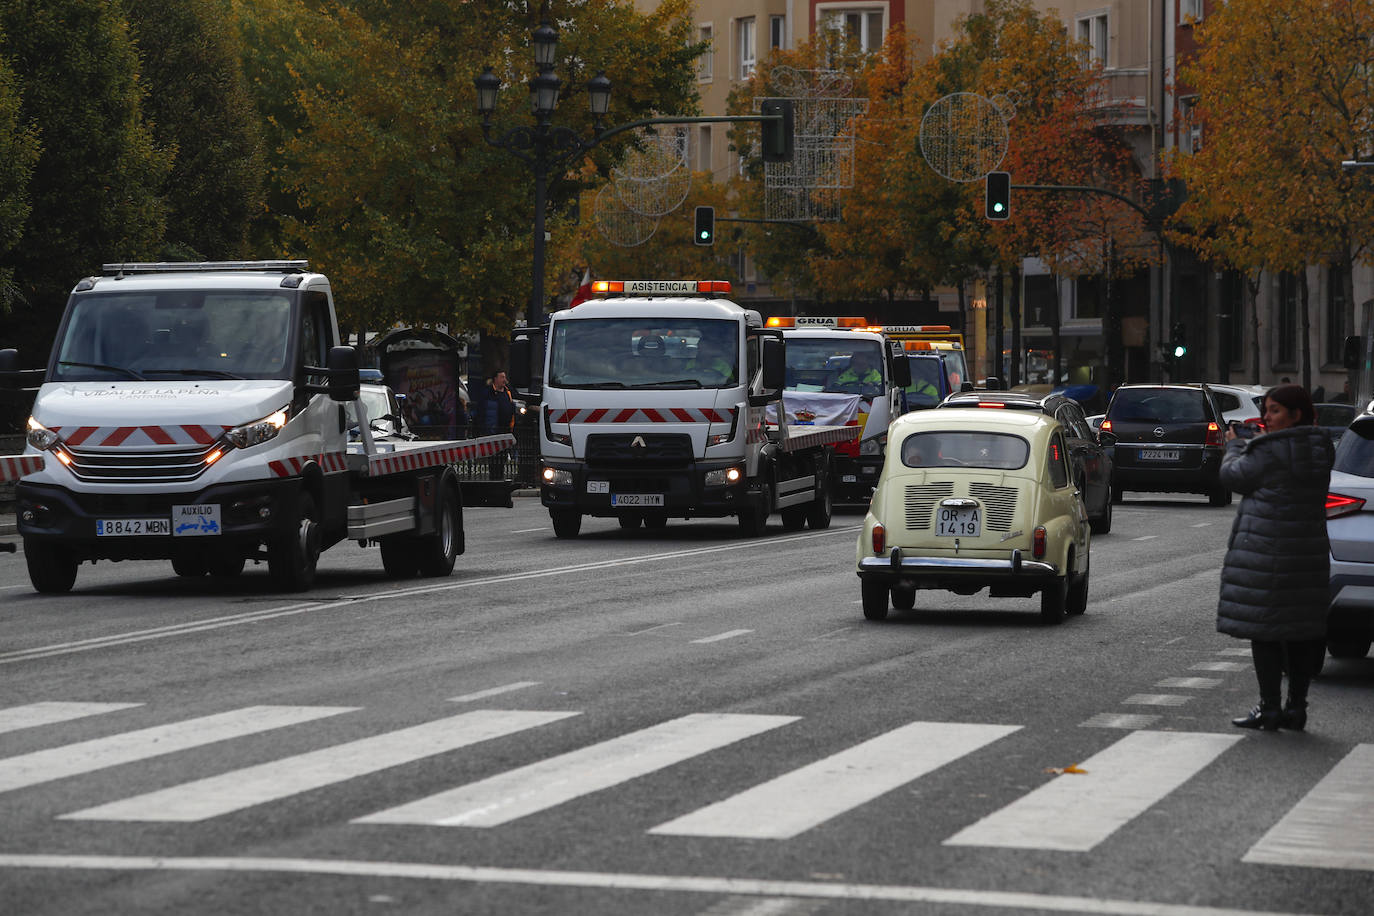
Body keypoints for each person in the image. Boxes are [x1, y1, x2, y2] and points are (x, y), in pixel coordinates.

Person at [1218, 384, 1334, 731]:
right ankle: (1296, 708)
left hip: (1268, 555)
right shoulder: (1320, 447)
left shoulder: (1268, 452)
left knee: (1266, 633)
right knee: (1300, 632)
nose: (1266, 417)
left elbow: (1232, 476)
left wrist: (1236, 444)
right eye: (1266, 410)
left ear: (1295, 414)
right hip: (1307, 555)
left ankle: (1269, 708)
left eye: (1274, 411)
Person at [472, 370, 518, 480]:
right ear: (495, 379)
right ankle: (494, 478)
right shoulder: (488, 393)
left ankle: (500, 477)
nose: (504, 380)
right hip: (493, 431)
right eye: (502, 377)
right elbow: (481, 411)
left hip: (506, 430)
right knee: (494, 457)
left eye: (505, 377)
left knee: (502, 457)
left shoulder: (508, 392)